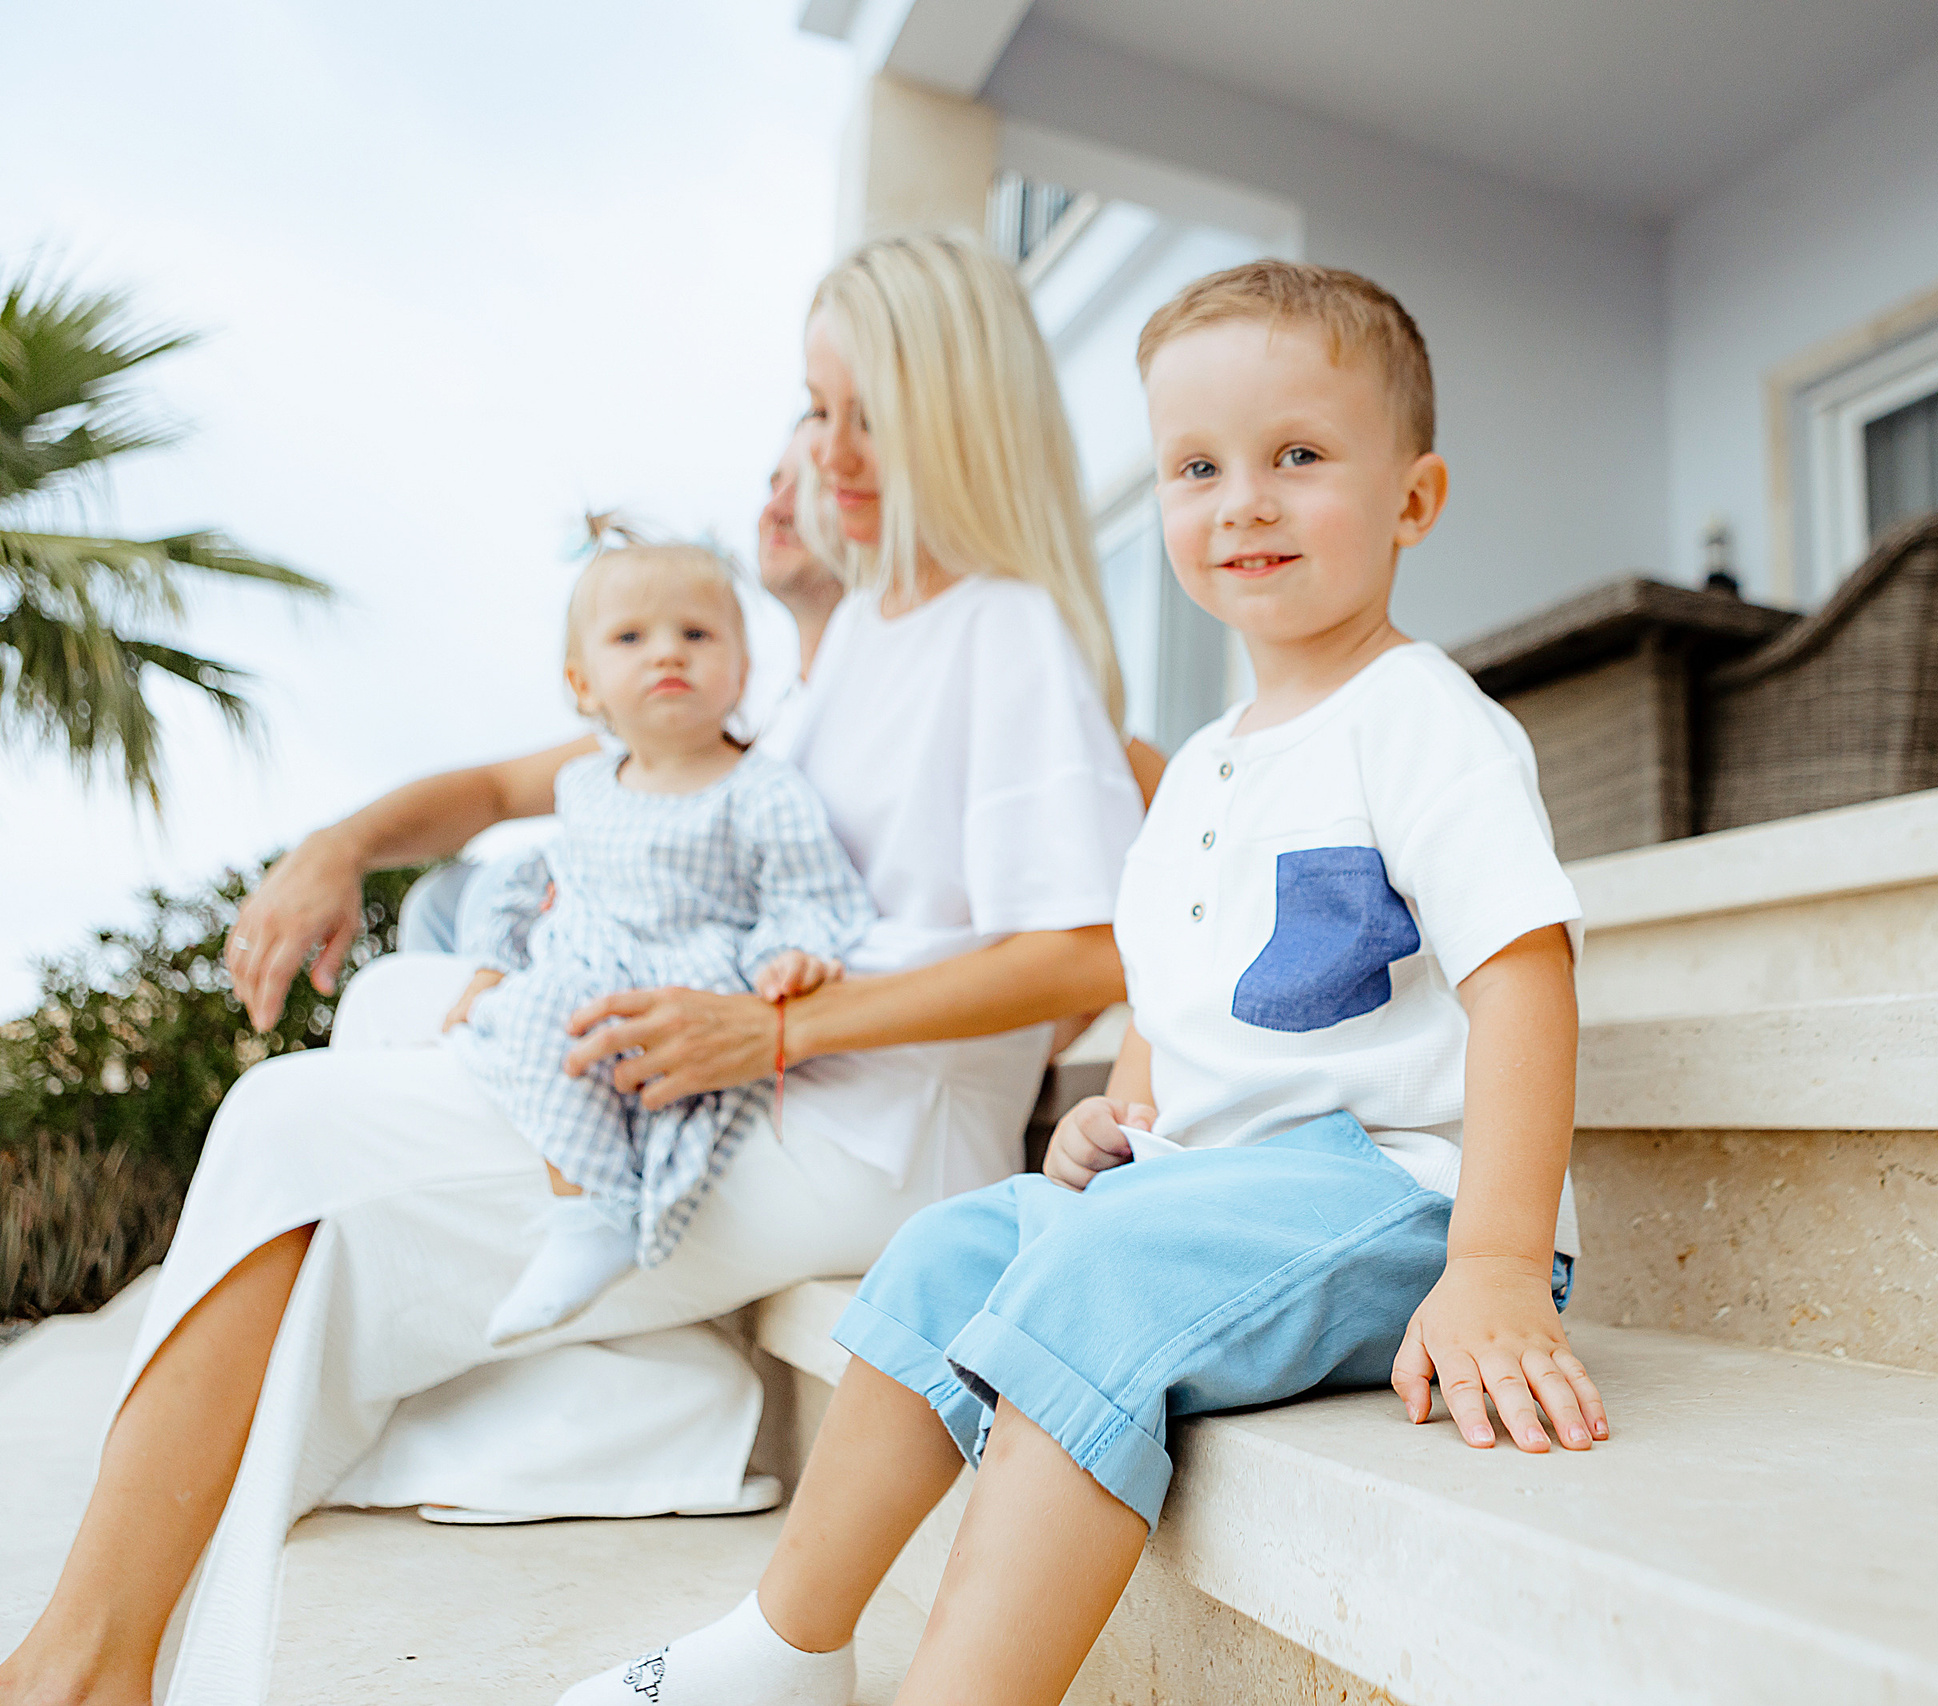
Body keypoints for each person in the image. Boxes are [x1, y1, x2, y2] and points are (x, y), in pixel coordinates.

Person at [0, 232, 1146, 1706]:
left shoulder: (1002, 626)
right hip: (741, 1096)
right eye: (816, 407)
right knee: (334, 1258)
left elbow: (1090, 945)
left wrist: (772, 1034)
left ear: (960, 410)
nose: (832, 451)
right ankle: (111, 1663)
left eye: (873, 414)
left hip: (869, 1133)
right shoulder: (859, 642)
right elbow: (562, 802)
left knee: (287, 1121)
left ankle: (71, 1674)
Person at [558, 260, 1610, 1706]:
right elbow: (1179, 993)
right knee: (950, 1249)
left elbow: (1525, 979)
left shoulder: (1424, 723)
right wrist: (1121, 1111)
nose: (1242, 498)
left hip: (1403, 1198)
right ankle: (786, 1648)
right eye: (1197, 465)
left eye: (1297, 456)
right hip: (1220, 1190)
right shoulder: (1199, 769)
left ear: (1413, 501)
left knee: (1099, 1274)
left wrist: (1494, 1266)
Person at [446, 529, 876, 1344]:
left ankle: (595, 1216)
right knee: (526, 1012)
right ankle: (589, 1201)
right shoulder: (582, 784)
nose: (666, 654)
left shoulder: (762, 790)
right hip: (585, 954)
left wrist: (794, 953)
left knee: (585, 1021)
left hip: (693, 971)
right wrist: (491, 963)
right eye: (630, 638)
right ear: (583, 683)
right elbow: (537, 880)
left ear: (742, 672)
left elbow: (808, 891)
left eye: (697, 634)